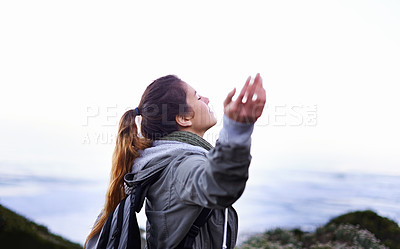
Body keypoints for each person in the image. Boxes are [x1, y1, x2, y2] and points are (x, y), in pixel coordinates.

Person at [85, 74, 266, 249]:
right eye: (198, 97)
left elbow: (213, 170)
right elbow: (220, 185)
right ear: (184, 118)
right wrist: (236, 130)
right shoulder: (180, 166)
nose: (207, 99)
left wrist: (231, 134)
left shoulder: (170, 160)